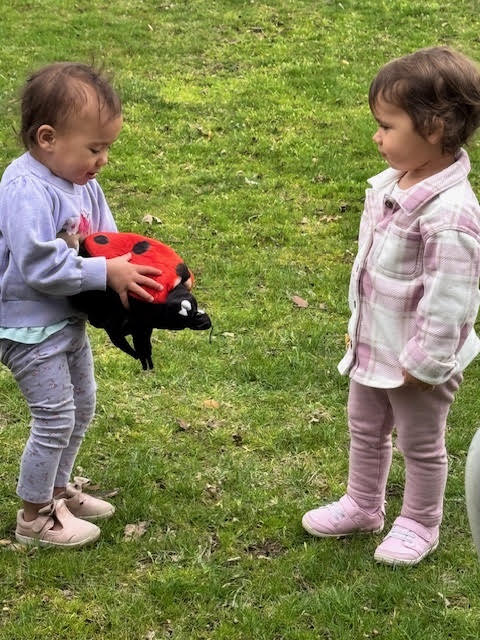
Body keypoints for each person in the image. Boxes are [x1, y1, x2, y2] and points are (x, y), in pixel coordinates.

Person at [302, 47, 480, 566]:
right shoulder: (393, 184)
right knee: (364, 426)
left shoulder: (450, 214)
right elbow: (374, 270)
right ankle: (363, 504)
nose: (377, 137)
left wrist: (427, 362)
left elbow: (452, 298)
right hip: (377, 343)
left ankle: (421, 521)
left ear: (435, 128)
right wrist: (359, 327)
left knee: (420, 443)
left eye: (386, 126)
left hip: (420, 362)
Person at [0, 63, 162, 548]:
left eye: (107, 147)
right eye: (95, 148)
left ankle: (58, 490)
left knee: (82, 405)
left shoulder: (83, 182)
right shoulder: (25, 189)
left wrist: (140, 274)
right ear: (48, 138)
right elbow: (38, 266)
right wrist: (103, 273)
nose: (103, 160)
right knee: (54, 417)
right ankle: (34, 517)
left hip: (64, 320)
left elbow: (104, 243)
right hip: (26, 327)